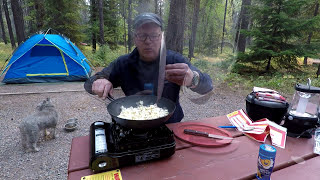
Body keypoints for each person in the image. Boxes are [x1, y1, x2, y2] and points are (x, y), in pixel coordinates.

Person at [84, 12, 213, 123]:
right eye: (142, 35)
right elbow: (89, 84)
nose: (147, 41)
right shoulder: (123, 63)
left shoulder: (175, 60)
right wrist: (98, 81)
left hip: (170, 123)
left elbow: (207, 86)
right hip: (133, 123)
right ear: (135, 38)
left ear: (161, 37)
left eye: (154, 35)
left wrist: (193, 79)